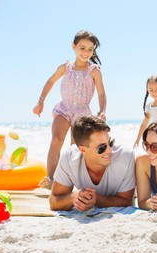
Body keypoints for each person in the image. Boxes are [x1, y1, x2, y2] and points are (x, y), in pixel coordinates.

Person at [33, 30, 107, 189]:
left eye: (90, 49)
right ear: (74, 47)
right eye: (82, 48)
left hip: (82, 113)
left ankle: (72, 180)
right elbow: (50, 81)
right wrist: (40, 101)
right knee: (56, 140)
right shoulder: (65, 67)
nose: (86, 52)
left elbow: (101, 93)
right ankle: (51, 178)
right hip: (64, 108)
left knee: (75, 148)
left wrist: (102, 110)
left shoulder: (94, 71)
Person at [49, 115, 136, 211]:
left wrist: (97, 200)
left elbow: (127, 201)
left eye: (110, 143)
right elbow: (54, 201)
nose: (109, 151)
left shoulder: (125, 156)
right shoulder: (69, 158)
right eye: (102, 148)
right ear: (82, 150)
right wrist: (74, 198)